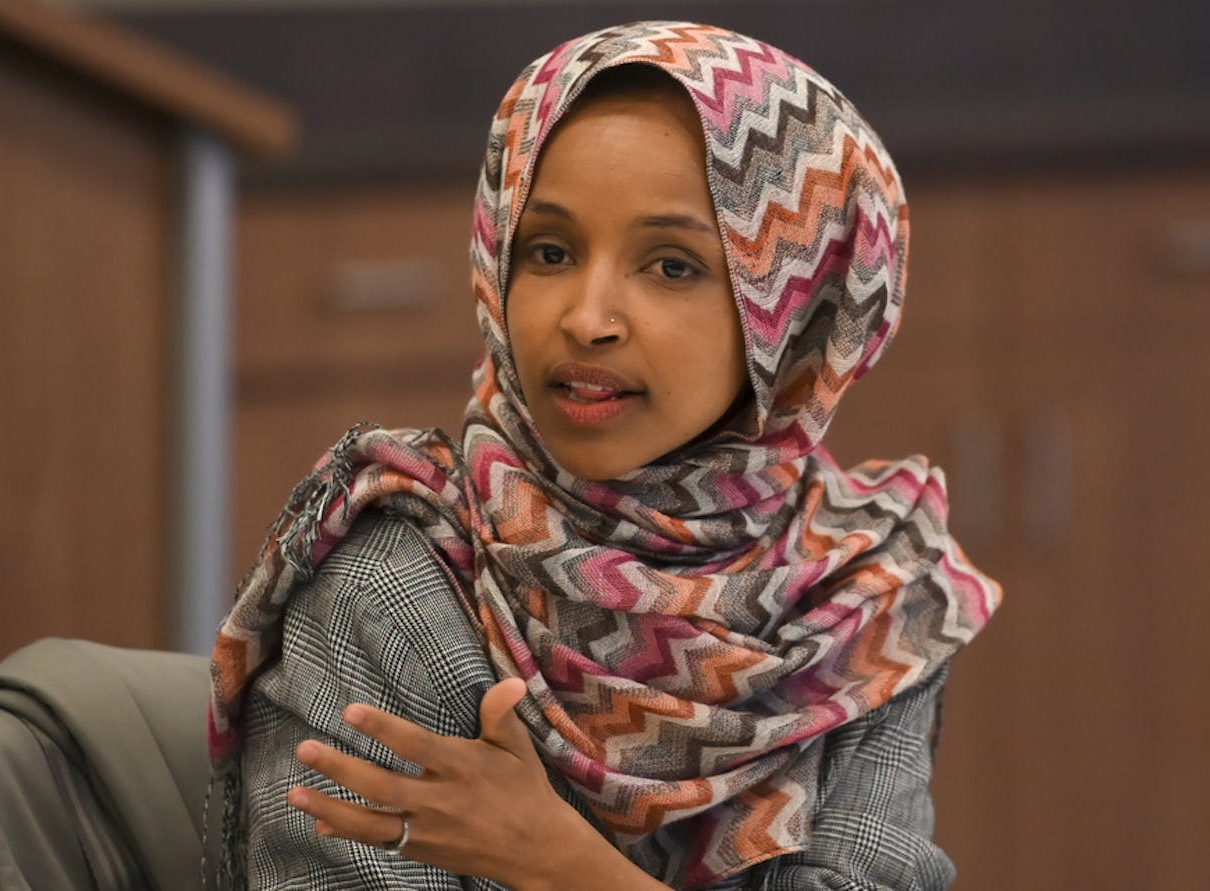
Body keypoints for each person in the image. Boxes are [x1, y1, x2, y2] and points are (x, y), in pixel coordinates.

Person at [207, 20, 1001, 891]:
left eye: (670, 266)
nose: (587, 318)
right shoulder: (394, 586)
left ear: (795, 313)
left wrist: (557, 864)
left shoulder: (860, 599)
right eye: (550, 252)